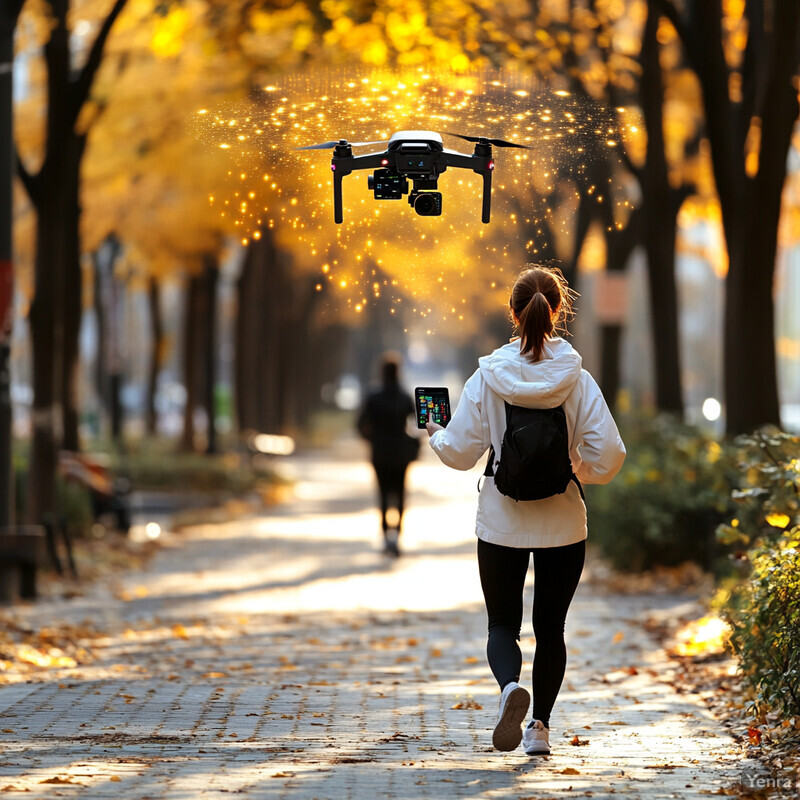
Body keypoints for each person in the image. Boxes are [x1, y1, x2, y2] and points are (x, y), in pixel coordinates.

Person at [425, 265, 625, 755]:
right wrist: (576, 469)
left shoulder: (487, 375)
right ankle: (539, 729)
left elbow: (457, 452)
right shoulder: (578, 379)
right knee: (550, 628)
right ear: (558, 311)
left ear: (513, 313)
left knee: (501, 624)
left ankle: (510, 688)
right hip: (562, 522)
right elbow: (611, 455)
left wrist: (432, 432)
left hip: (500, 521)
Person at [357, 354, 417, 557]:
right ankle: (397, 536)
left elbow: (359, 425)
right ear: (398, 372)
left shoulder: (373, 396)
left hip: (380, 454)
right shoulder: (404, 396)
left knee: (383, 493)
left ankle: (385, 536)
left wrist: (372, 439)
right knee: (400, 493)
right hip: (401, 454)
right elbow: (416, 423)